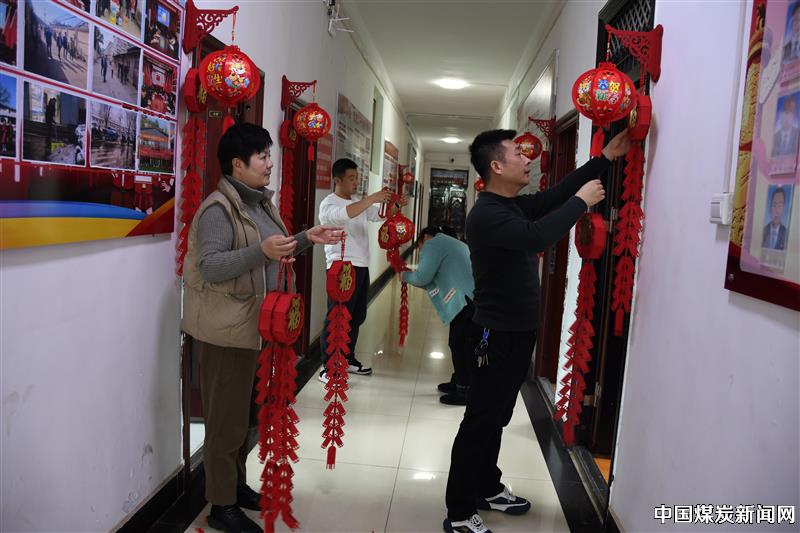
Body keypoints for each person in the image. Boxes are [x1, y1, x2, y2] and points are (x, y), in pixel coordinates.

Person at [442, 128, 631, 533]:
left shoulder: (511, 205)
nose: (527, 158)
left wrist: (604, 158)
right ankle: (458, 511)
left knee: (497, 417)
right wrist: (582, 203)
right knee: (480, 422)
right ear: (496, 166)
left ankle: (486, 487)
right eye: (517, 153)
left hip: (516, 333)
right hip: (494, 336)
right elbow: (537, 237)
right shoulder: (486, 214)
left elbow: (555, 195)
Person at [182, 123, 342, 533]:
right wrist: (260, 252)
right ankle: (221, 505)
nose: (271, 163)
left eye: (270, 155)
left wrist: (307, 237)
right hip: (226, 333)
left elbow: (275, 249)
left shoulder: (260, 204)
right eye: (263, 156)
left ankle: (235, 487)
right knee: (225, 423)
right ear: (238, 164)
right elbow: (210, 266)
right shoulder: (218, 210)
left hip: (257, 329)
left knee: (245, 417)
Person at [317, 158, 400, 382]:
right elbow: (347, 214)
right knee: (337, 316)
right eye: (352, 178)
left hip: (361, 265)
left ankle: (347, 358)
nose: (356, 182)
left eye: (357, 178)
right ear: (338, 180)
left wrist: (395, 204)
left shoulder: (357, 202)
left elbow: (380, 214)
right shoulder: (329, 204)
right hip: (340, 267)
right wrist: (372, 198)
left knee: (356, 316)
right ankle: (328, 366)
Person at [402, 226, 475, 405]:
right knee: (461, 342)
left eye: (420, 247)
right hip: (471, 297)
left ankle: (464, 390)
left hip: (465, 300)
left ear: (424, 238)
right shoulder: (450, 243)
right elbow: (430, 277)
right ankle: (458, 381)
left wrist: (404, 275)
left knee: (459, 343)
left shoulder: (433, 243)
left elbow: (423, 277)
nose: (422, 252)